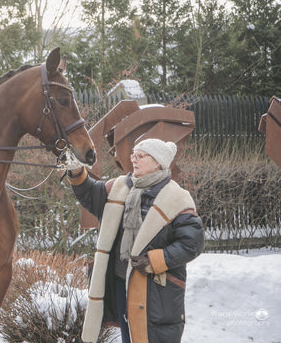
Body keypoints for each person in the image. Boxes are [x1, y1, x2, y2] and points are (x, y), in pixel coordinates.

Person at [67, 138, 204, 343]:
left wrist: (156, 260)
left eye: (141, 156)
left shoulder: (177, 197)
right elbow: (89, 194)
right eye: (134, 155)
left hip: (157, 289)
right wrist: (76, 171)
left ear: (157, 162)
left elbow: (192, 243)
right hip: (123, 283)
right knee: (128, 337)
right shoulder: (120, 187)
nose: (134, 160)